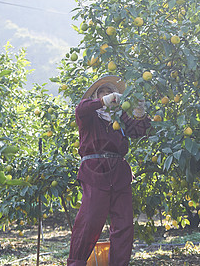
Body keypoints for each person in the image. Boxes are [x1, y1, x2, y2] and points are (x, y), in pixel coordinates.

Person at [67, 75, 151, 266]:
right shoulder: (89, 116)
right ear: (97, 97)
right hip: (95, 170)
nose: (109, 96)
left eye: (111, 92)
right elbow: (81, 108)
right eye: (103, 92)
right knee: (89, 221)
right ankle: (76, 263)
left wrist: (139, 109)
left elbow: (140, 130)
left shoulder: (119, 118)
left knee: (124, 225)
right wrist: (103, 101)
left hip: (119, 172)